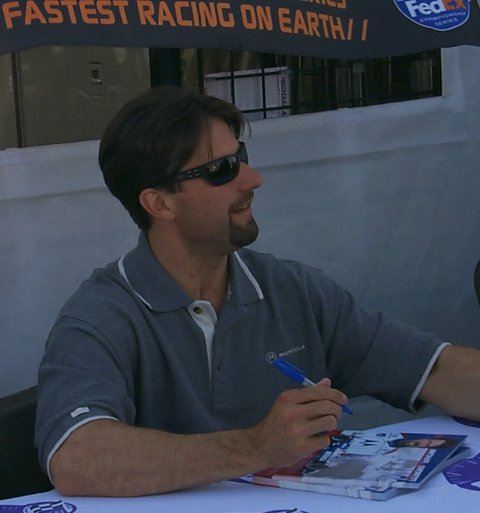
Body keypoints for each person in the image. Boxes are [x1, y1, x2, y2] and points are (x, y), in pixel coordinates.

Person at [35, 85, 480, 498]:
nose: (252, 178)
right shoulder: (100, 315)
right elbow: (76, 457)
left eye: (241, 155)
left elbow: (433, 369)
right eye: (222, 169)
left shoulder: (291, 289)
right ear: (160, 203)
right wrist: (255, 447)